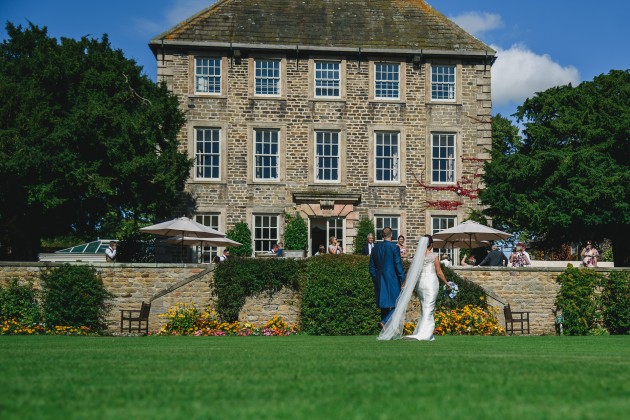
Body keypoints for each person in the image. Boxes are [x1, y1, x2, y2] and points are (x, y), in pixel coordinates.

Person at [379, 235, 450, 341]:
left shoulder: (418, 256)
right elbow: (439, 272)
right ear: (431, 244)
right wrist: (447, 282)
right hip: (431, 283)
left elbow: (411, 271)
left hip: (420, 284)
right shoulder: (434, 255)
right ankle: (425, 334)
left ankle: (425, 332)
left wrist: (405, 283)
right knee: (429, 308)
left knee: (424, 308)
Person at [369, 227, 406, 328]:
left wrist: (375, 278)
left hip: (380, 278)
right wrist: (403, 279)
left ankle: (384, 332)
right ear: (392, 235)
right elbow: (398, 264)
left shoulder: (375, 248)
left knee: (384, 305)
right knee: (398, 304)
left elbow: (371, 267)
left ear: (382, 235)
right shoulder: (394, 247)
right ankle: (384, 322)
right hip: (392, 278)